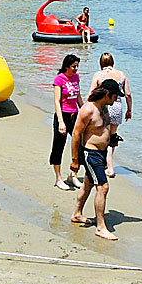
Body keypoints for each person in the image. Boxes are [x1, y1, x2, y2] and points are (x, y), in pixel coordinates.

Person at [70, 79, 122, 241]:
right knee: (103, 187)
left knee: (88, 183)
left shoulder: (104, 108)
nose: (115, 100)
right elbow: (76, 134)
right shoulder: (88, 109)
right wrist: (74, 160)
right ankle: (101, 227)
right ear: (107, 94)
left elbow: (103, 128)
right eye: (114, 97)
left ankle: (77, 214)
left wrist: (112, 138)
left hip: (101, 152)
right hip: (90, 153)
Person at [89, 53, 132, 178]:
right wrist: (129, 110)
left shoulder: (98, 75)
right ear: (112, 62)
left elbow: (92, 92)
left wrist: (88, 108)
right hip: (117, 106)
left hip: (105, 106)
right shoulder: (121, 75)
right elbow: (128, 94)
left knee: (103, 136)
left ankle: (109, 167)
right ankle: (108, 163)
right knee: (112, 137)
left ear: (101, 63)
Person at [51, 54, 83, 191]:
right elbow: (57, 102)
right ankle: (58, 178)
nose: (76, 69)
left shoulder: (76, 77)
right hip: (62, 115)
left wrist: (85, 111)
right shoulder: (59, 79)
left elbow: (78, 97)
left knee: (80, 144)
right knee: (59, 145)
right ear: (67, 67)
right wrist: (61, 122)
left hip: (74, 115)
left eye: (77, 66)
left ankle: (73, 175)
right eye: (74, 66)